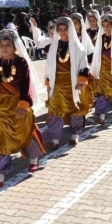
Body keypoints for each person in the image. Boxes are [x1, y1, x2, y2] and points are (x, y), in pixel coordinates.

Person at [0, 29, 46, 187]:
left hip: (19, 107)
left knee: (25, 134)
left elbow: (25, 85)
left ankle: (33, 159)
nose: (4, 48)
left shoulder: (21, 63)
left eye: (7, 45)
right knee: (1, 140)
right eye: (2, 45)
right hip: (2, 109)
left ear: (15, 46)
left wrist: (23, 105)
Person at [42, 17, 90, 150]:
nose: (63, 32)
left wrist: (81, 81)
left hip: (73, 85)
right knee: (56, 111)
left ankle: (75, 135)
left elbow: (84, 67)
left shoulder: (78, 47)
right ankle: (55, 138)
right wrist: (48, 81)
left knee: (75, 111)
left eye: (65, 30)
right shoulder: (54, 47)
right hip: (58, 85)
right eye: (60, 30)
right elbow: (48, 66)